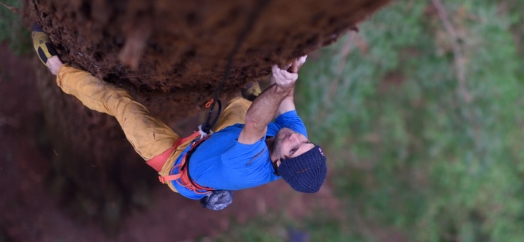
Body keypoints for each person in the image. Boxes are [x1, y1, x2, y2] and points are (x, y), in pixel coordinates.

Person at [31, 24, 327, 211]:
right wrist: (292, 69)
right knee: (243, 101)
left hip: (175, 160)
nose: (294, 137)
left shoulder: (251, 167)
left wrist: (277, 87)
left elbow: (256, 124)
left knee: (120, 103)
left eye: (292, 148)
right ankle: (250, 95)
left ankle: (58, 69)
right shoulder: (295, 137)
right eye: (305, 141)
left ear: (278, 163)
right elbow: (286, 99)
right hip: (232, 135)